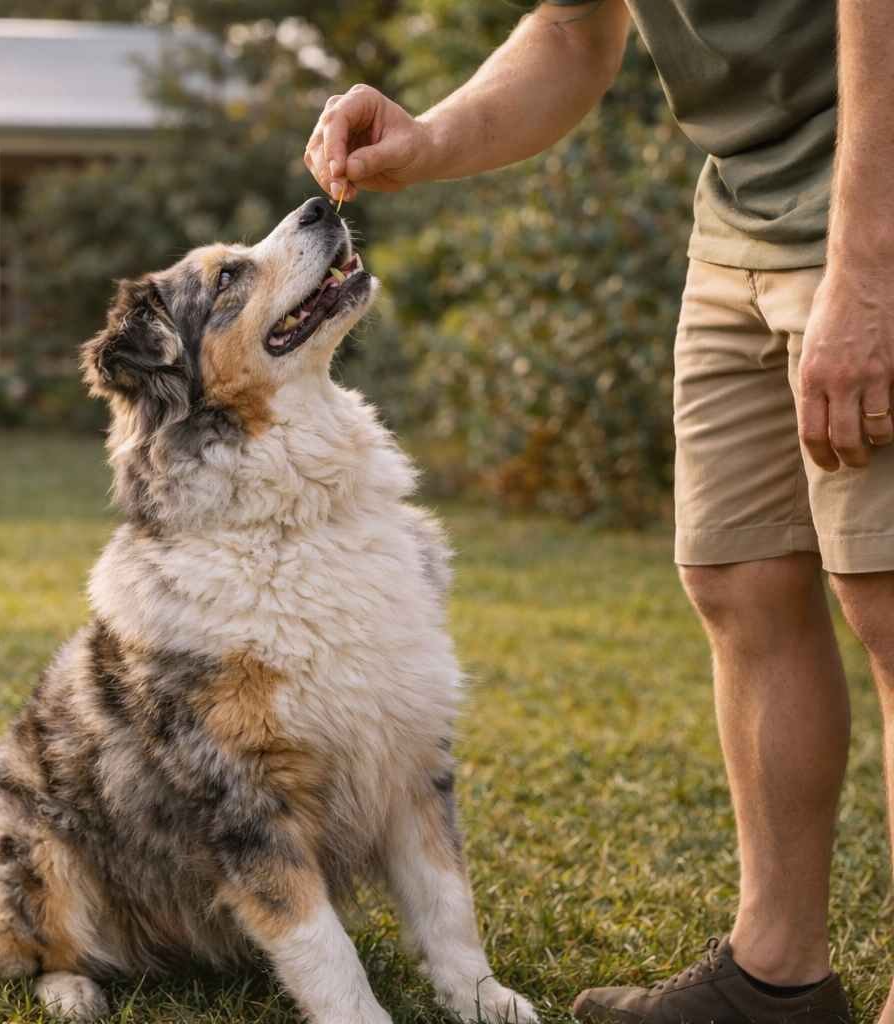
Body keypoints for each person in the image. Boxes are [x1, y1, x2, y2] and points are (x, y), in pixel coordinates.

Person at [304, 2, 893, 1022]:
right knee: (738, 578)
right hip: (742, 225)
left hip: (869, 221)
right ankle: (776, 975)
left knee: (888, 598)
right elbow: (575, 33)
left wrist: (871, 270)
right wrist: (430, 137)